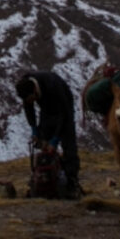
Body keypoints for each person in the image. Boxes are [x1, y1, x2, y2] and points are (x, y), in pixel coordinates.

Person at [15, 70, 82, 199]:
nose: (31, 101)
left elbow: (64, 116)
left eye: (32, 98)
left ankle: (71, 181)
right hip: (46, 109)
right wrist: (34, 129)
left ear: (35, 90)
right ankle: (46, 179)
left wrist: (55, 140)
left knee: (69, 145)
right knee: (44, 145)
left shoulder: (53, 85)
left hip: (64, 107)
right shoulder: (25, 86)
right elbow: (29, 109)